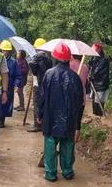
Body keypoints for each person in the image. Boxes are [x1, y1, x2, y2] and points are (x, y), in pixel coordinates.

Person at [38, 43, 84, 182]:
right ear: (69, 59)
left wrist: (40, 115)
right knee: (67, 145)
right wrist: (78, 125)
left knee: (51, 144)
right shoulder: (75, 78)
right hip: (69, 119)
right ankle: (67, 171)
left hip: (51, 117)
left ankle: (51, 174)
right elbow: (79, 103)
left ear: (55, 58)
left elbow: (42, 98)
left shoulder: (49, 74)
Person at [27, 38, 52, 132]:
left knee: (37, 103)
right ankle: (43, 123)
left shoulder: (38, 56)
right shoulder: (48, 57)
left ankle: (37, 125)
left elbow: (32, 65)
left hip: (38, 84)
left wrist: (34, 72)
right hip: (45, 83)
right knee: (44, 103)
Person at [0, 40, 21, 128]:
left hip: (9, 85)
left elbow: (18, 75)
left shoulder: (13, 62)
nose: (5, 52)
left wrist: (16, 85)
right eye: (3, 50)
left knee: (5, 103)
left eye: (7, 51)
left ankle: (1, 121)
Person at [88, 43, 110, 116]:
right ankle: (95, 115)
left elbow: (98, 71)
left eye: (96, 50)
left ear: (99, 50)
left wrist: (92, 76)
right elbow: (92, 68)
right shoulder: (94, 58)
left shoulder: (104, 60)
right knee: (95, 99)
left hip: (101, 83)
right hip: (95, 83)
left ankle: (99, 115)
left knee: (99, 100)